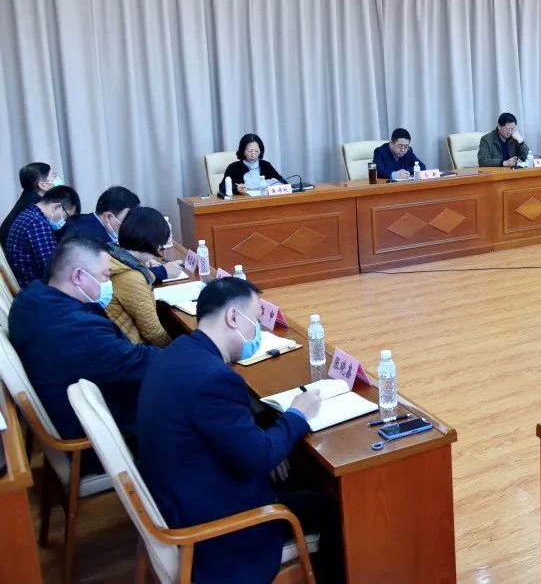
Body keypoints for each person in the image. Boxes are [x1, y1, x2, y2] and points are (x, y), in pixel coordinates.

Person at [137, 278, 344, 583]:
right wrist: (299, 413)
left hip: (182, 494)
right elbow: (259, 457)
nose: (257, 331)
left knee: (295, 470)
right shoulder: (215, 379)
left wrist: (263, 440)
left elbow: (227, 433)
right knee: (331, 505)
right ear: (233, 317)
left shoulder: (176, 352)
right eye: (256, 320)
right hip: (217, 531)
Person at [7, 237, 157, 471]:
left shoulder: (32, 299)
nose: (109, 283)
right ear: (78, 276)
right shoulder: (72, 328)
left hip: (82, 404)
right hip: (96, 441)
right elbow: (137, 362)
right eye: (106, 276)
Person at [65, 186, 182, 284]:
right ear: (108, 217)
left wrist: (138, 260)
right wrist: (162, 272)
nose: (132, 223)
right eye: (128, 218)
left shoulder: (90, 222)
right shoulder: (90, 239)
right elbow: (115, 278)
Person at [104, 207, 174, 346]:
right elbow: (152, 332)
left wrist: (143, 265)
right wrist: (175, 350)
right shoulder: (131, 277)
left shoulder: (112, 253)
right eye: (159, 244)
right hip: (131, 347)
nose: (159, 249)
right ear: (146, 241)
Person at [4, 185, 80, 287]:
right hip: (35, 288)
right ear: (56, 207)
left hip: (29, 286)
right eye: (67, 216)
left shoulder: (28, 214)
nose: (65, 221)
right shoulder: (37, 223)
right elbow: (52, 270)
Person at [0, 162, 57, 253]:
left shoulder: (27, 198)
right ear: (43, 185)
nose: (57, 179)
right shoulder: (37, 206)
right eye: (54, 176)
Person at [219, 133, 287, 195]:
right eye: (250, 151)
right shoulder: (233, 167)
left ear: (260, 150)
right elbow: (222, 187)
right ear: (243, 151)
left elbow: (282, 181)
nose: (253, 154)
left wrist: (279, 183)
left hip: (265, 200)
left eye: (256, 151)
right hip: (245, 201)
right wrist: (236, 188)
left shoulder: (266, 165)